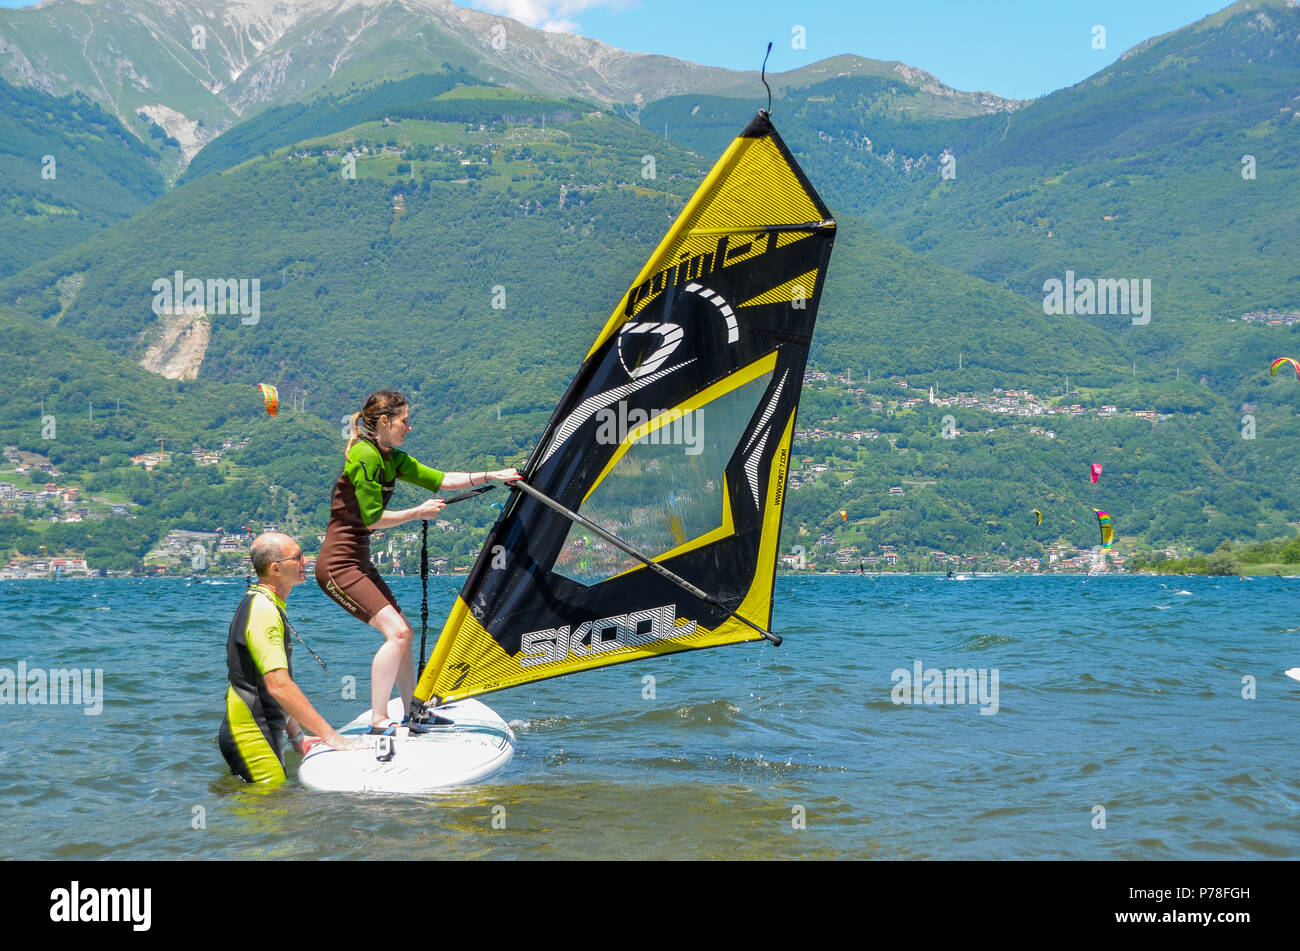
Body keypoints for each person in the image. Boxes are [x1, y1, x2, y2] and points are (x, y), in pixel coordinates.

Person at [316, 389, 519, 735]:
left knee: (404, 634)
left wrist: (492, 475)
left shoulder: (391, 457)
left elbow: (440, 479)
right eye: (404, 421)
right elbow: (370, 518)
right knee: (397, 634)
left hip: (358, 562)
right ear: (384, 421)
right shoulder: (363, 456)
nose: (409, 428)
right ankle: (379, 721)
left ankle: (415, 712)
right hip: (338, 566)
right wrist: (417, 512)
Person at [219, 532, 363, 785]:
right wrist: (331, 736)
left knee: (273, 813)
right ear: (276, 568)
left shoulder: (265, 603)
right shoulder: (263, 611)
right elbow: (279, 685)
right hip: (252, 736)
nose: (306, 561)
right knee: (271, 813)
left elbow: (272, 687)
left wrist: (297, 738)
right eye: (297, 557)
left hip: (252, 728)